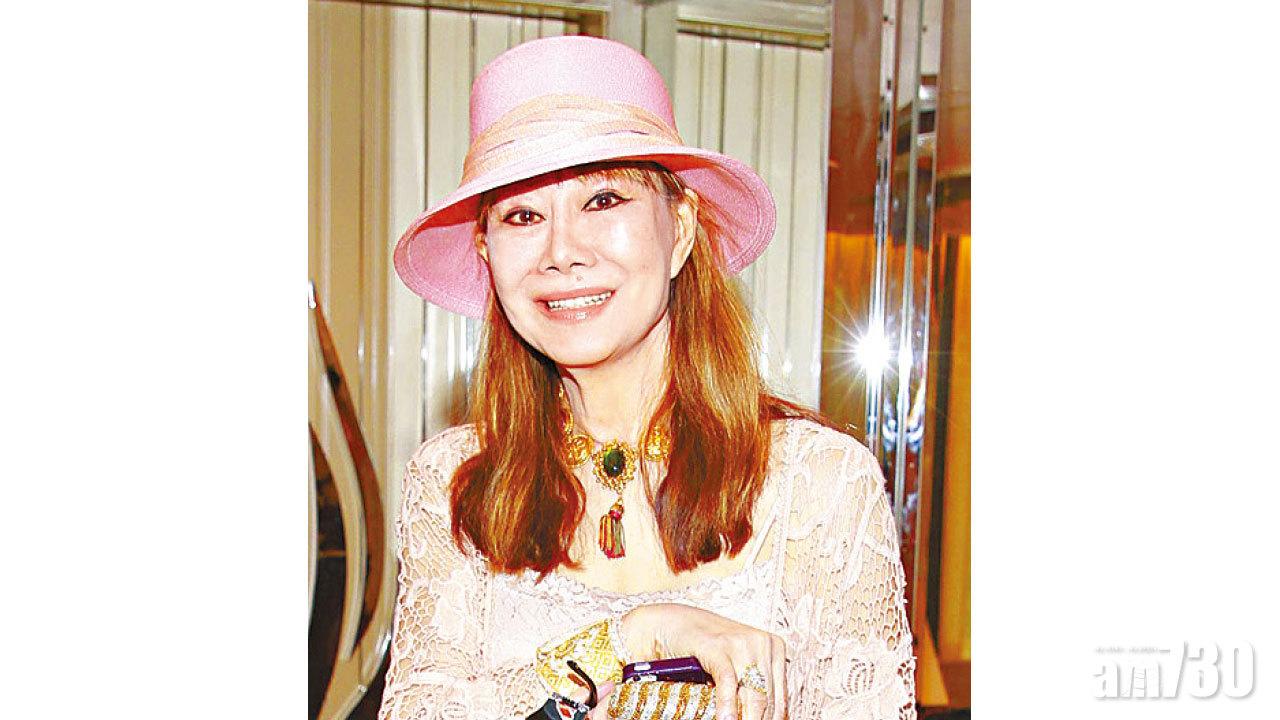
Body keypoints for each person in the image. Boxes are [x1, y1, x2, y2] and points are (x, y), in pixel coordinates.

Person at [377, 35, 916, 720]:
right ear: (486, 251)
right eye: (522, 215)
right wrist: (628, 641)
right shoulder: (451, 482)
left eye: (604, 200)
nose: (562, 252)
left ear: (680, 229)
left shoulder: (820, 484)